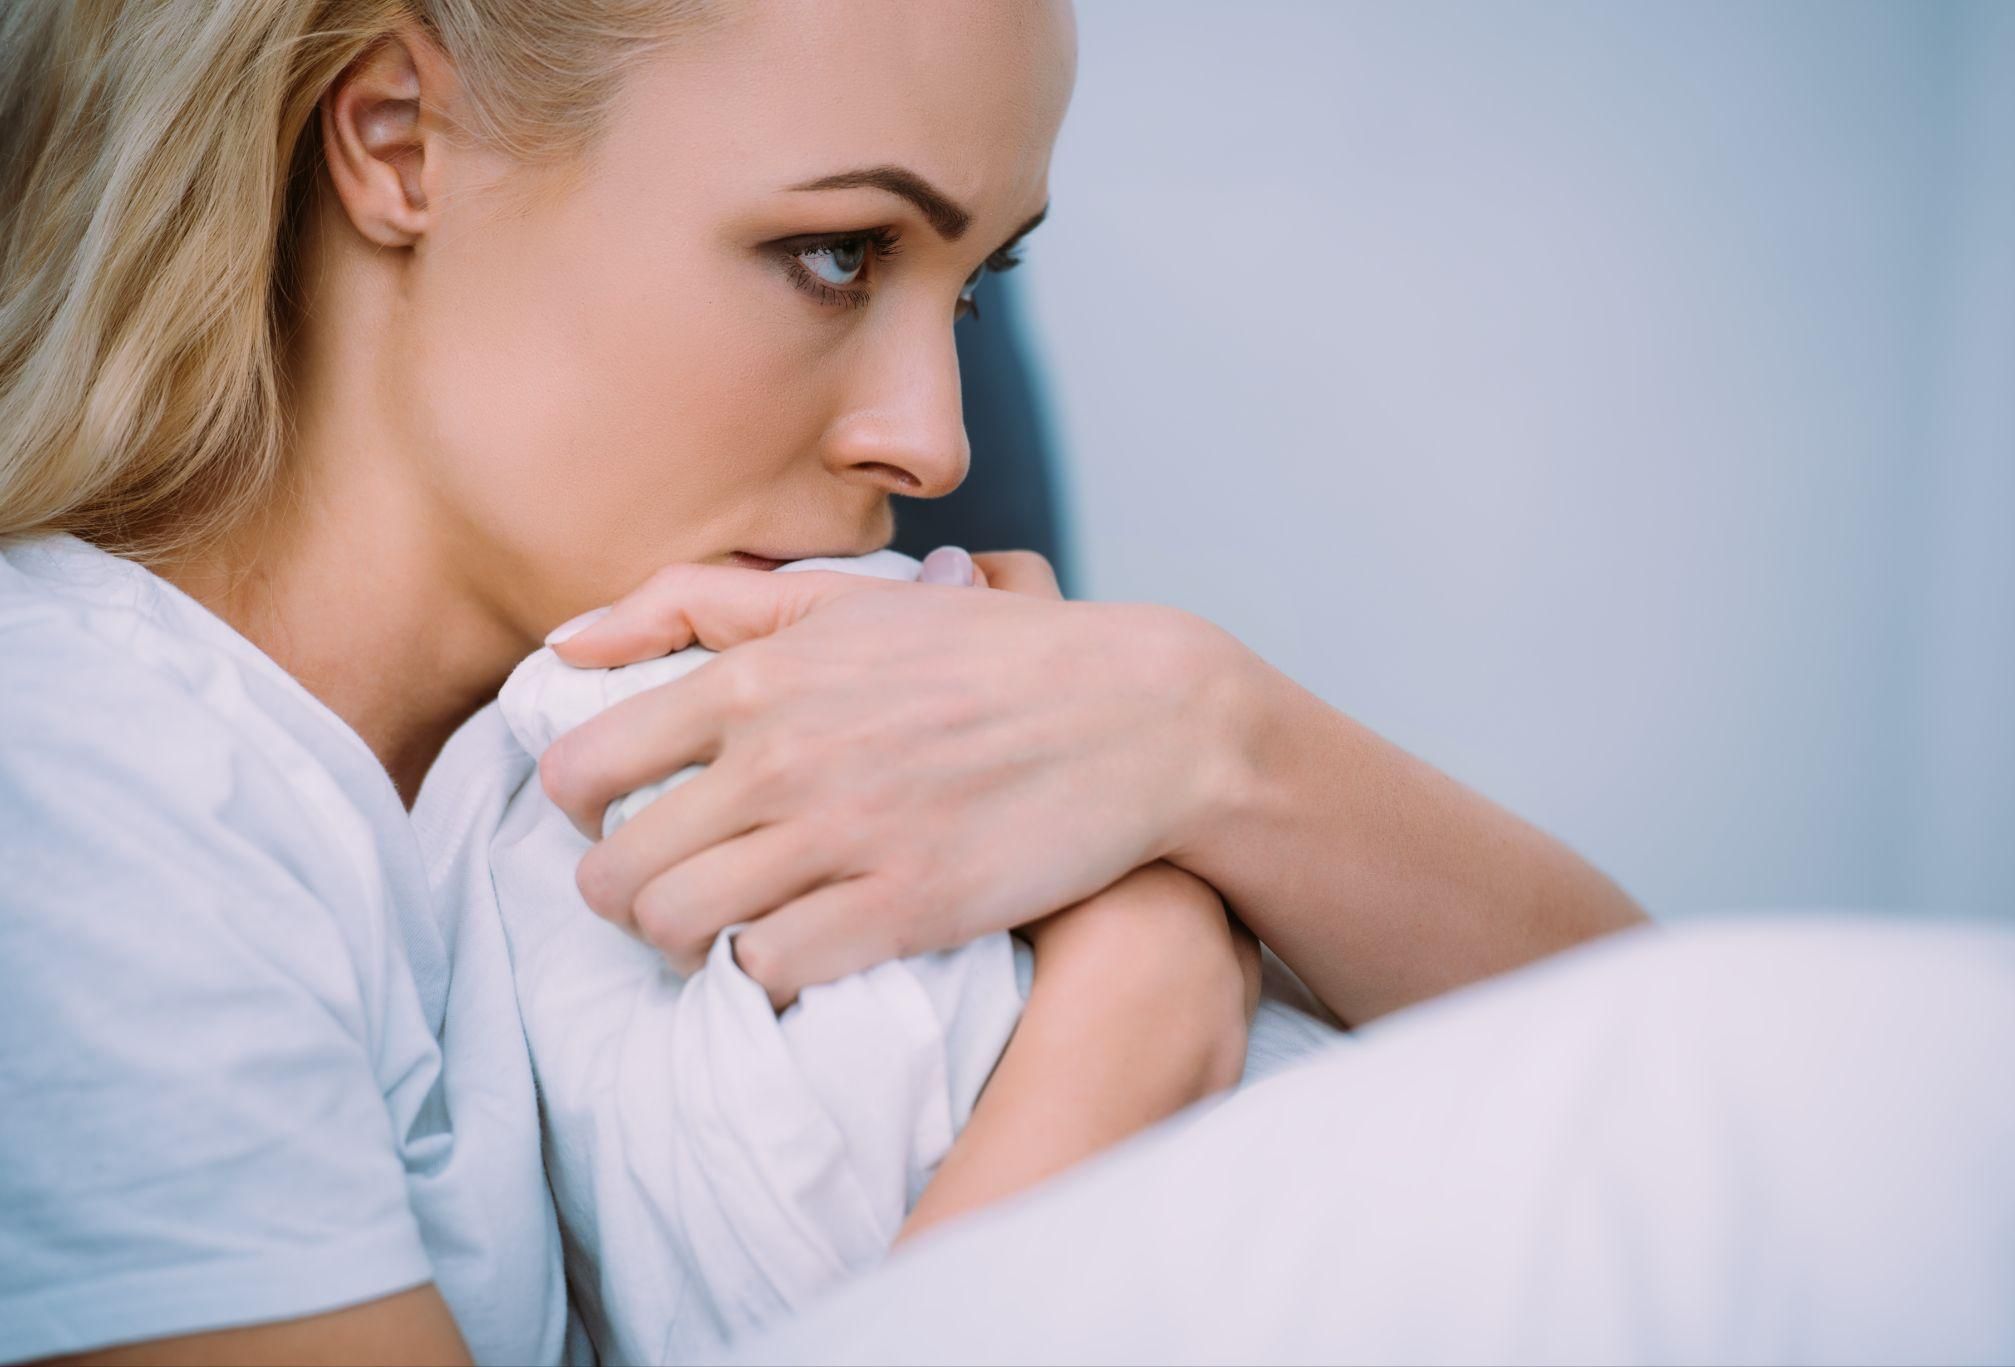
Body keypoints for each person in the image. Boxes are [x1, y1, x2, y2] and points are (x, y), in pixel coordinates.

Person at [0, 0, 1639, 1362]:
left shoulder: (619, 743)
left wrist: (1209, 734)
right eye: (841, 255)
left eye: (977, 280)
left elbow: (1682, 1096)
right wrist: (1134, 1017)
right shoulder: (75, 789)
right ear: (397, 142)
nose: (935, 443)